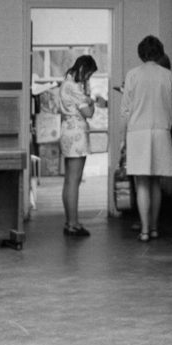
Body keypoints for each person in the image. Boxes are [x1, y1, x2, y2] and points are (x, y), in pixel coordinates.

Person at [121, 34, 172, 242]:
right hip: (161, 132)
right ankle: (155, 228)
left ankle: (145, 230)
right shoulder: (167, 75)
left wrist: (123, 140)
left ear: (141, 53)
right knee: (156, 182)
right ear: (159, 52)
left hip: (137, 133)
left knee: (142, 182)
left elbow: (125, 112)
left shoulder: (132, 75)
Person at [59, 54, 105, 237]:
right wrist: (93, 104)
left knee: (69, 180)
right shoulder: (75, 86)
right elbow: (88, 112)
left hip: (67, 132)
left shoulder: (66, 83)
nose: (89, 78)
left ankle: (69, 221)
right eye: (89, 74)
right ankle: (73, 223)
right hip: (77, 135)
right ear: (84, 70)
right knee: (74, 181)